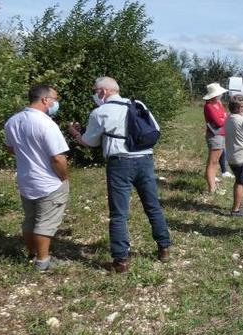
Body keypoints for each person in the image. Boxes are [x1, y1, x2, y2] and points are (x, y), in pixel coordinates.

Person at [68, 76, 171, 273]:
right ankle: (164, 248)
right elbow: (155, 129)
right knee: (153, 206)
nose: (94, 95)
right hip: (145, 160)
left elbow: (90, 142)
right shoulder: (138, 104)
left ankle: (121, 260)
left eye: (95, 91)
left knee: (118, 214)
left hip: (119, 164)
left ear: (102, 92)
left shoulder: (100, 112)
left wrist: (75, 133)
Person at [4, 84, 70, 271]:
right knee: (45, 222)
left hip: (26, 179)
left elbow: (10, 148)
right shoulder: (47, 124)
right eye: (55, 99)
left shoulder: (13, 121)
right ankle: (43, 261)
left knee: (30, 219)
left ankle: (32, 253)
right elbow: (57, 157)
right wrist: (63, 177)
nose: (56, 103)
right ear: (45, 100)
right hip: (48, 181)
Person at [202, 83, 229, 195]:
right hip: (214, 136)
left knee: (215, 161)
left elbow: (224, 116)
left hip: (221, 134)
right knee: (212, 162)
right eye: (219, 94)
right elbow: (219, 122)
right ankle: (212, 188)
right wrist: (223, 118)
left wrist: (223, 118)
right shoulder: (208, 106)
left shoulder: (218, 103)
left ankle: (213, 185)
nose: (220, 96)